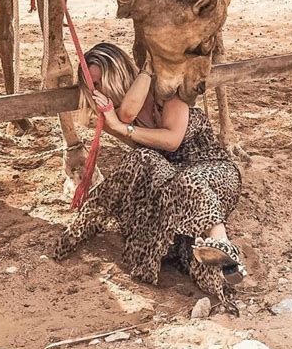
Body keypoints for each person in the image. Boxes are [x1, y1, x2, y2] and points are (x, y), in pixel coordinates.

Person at [54, 42, 246, 313]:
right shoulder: (113, 118)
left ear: (118, 74)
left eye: (99, 82)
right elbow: (136, 135)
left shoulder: (166, 91)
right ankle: (221, 272)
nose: (96, 91)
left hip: (213, 172)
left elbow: (171, 141)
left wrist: (122, 126)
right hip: (173, 187)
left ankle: (224, 245)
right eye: (90, 86)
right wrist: (116, 125)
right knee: (181, 247)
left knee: (187, 181)